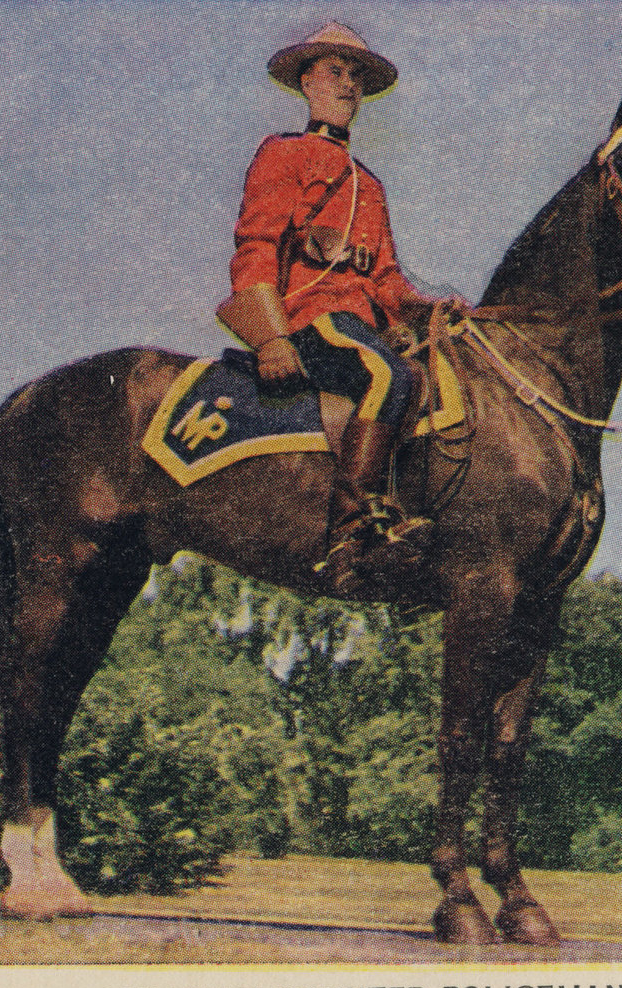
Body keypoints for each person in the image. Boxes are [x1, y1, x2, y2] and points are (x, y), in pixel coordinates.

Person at [219, 22, 457, 596]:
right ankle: (349, 533)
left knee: (431, 380)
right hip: (308, 322)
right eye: (335, 71)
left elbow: (386, 281)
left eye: (356, 75)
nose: (348, 85)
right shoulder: (283, 155)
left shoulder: (368, 186)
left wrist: (424, 310)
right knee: (388, 376)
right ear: (307, 82)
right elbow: (256, 247)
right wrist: (272, 339)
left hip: (358, 325)